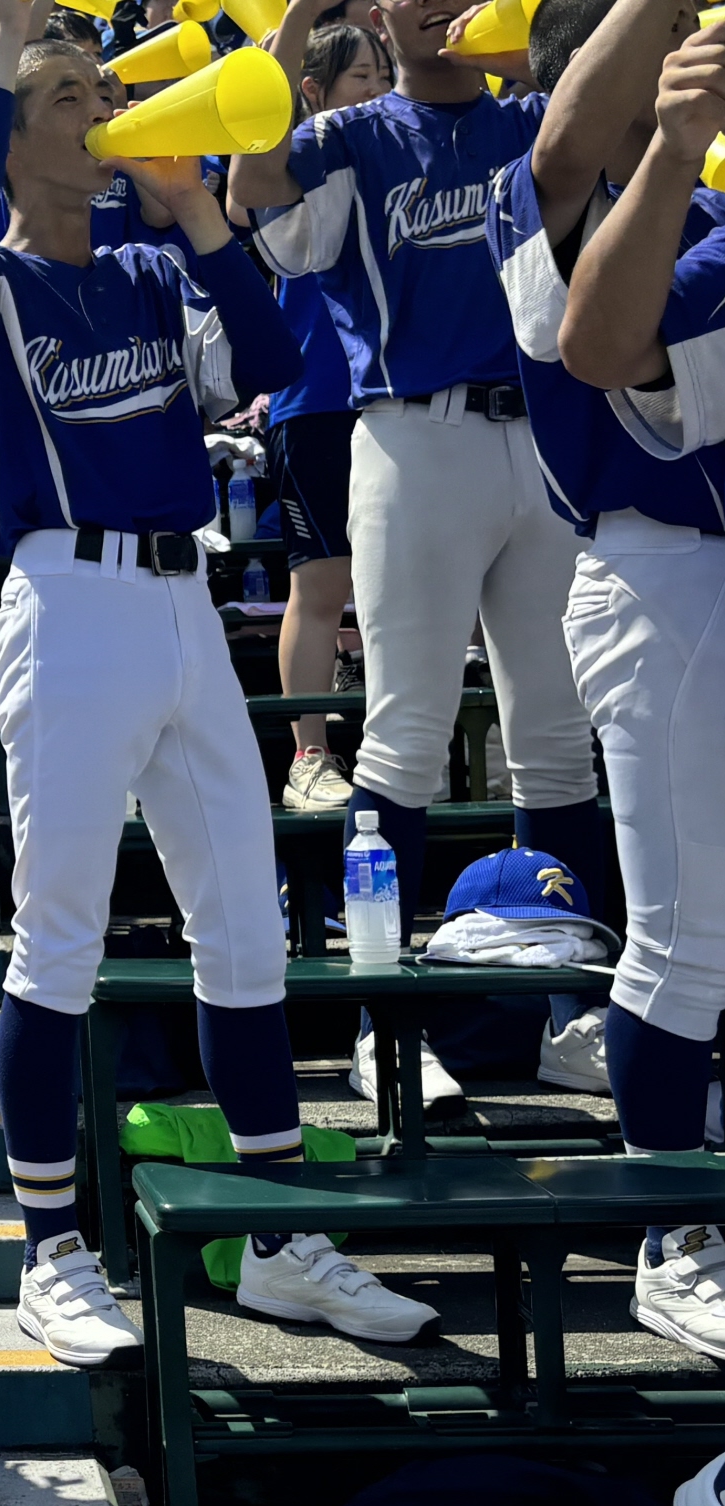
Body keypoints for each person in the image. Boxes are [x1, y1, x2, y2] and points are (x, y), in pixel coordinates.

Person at [0, 0, 437, 1364]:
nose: (97, 119)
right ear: (14, 139)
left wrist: (195, 211)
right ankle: (49, 1251)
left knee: (248, 930)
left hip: (182, 604)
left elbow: (274, 366)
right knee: (60, 942)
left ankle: (274, 1238)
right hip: (67, 597)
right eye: (67, 106)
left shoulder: (153, 273)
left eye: (104, 96)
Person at [233, 0, 608, 1111]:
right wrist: (300, 14)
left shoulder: (533, 118)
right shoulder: (354, 134)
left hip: (542, 431)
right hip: (414, 430)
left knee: (556, 740)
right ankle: (378, 1018)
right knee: (403, 729)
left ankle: (564, 1006)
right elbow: (253, 186)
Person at [527, 0, 725, 1350]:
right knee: (683, 935)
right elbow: (601, 343)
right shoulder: (553, 196)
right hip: (661, 568)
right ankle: (674, 1230)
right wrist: (668, 141)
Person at [247, 12, 389, 812]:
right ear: (313, 91)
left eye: (380, 75)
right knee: (322, 586)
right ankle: (309, 756)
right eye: (357, 76)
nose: (374, 89)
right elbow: (259, 111)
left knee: (406, 590)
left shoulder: (404, 151)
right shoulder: (299, 159)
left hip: (400, 403)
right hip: (319, 402)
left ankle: (407, 748)